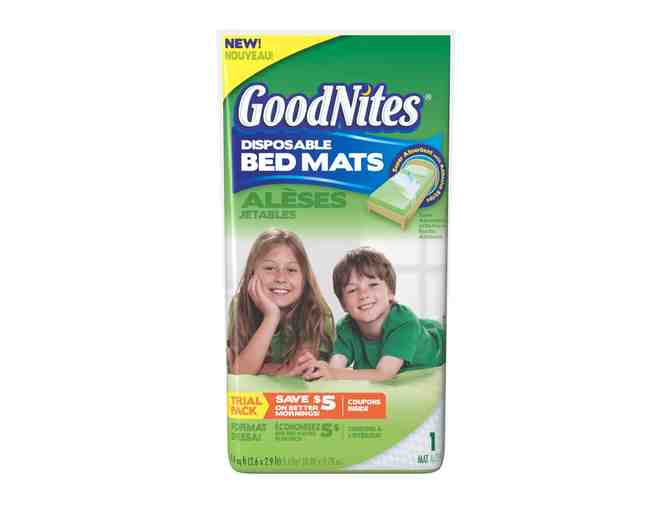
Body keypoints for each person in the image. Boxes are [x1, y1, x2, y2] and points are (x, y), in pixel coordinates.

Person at [304, 247, 445, 381]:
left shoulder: (404, 323)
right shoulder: (345, 327)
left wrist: (333, 373)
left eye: (373, 285)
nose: (363, 294)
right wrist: (319, 369)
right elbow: (334, 368)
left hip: (440, 341)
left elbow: (384, 373)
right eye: (352, 290)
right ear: (343, 305)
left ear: (390, 292)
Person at [227, 228, 333, 375]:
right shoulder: (240, 305)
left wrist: (258, 368)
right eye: (270, 268)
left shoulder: (315, 310)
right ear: (252, 273)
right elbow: (241, 370)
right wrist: (271, 316)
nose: (281, 278)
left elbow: (296, 369)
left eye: (291, 270)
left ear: (304, 278)